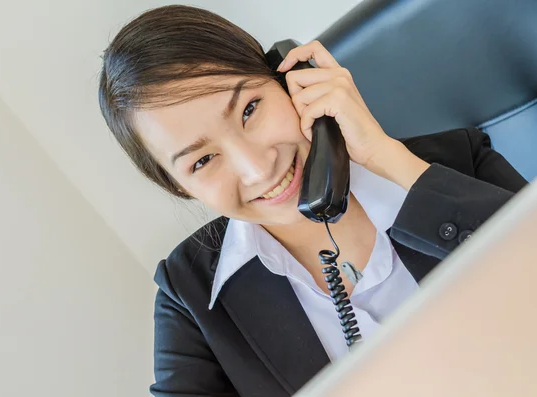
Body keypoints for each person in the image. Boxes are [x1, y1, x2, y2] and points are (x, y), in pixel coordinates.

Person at [98, 5, 528, 397]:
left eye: (249, 109)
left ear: (286, 78)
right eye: (203, 160)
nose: (257, 168)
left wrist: (385, 156)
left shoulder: (459, 162)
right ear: (179, 187)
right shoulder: (189, 297)